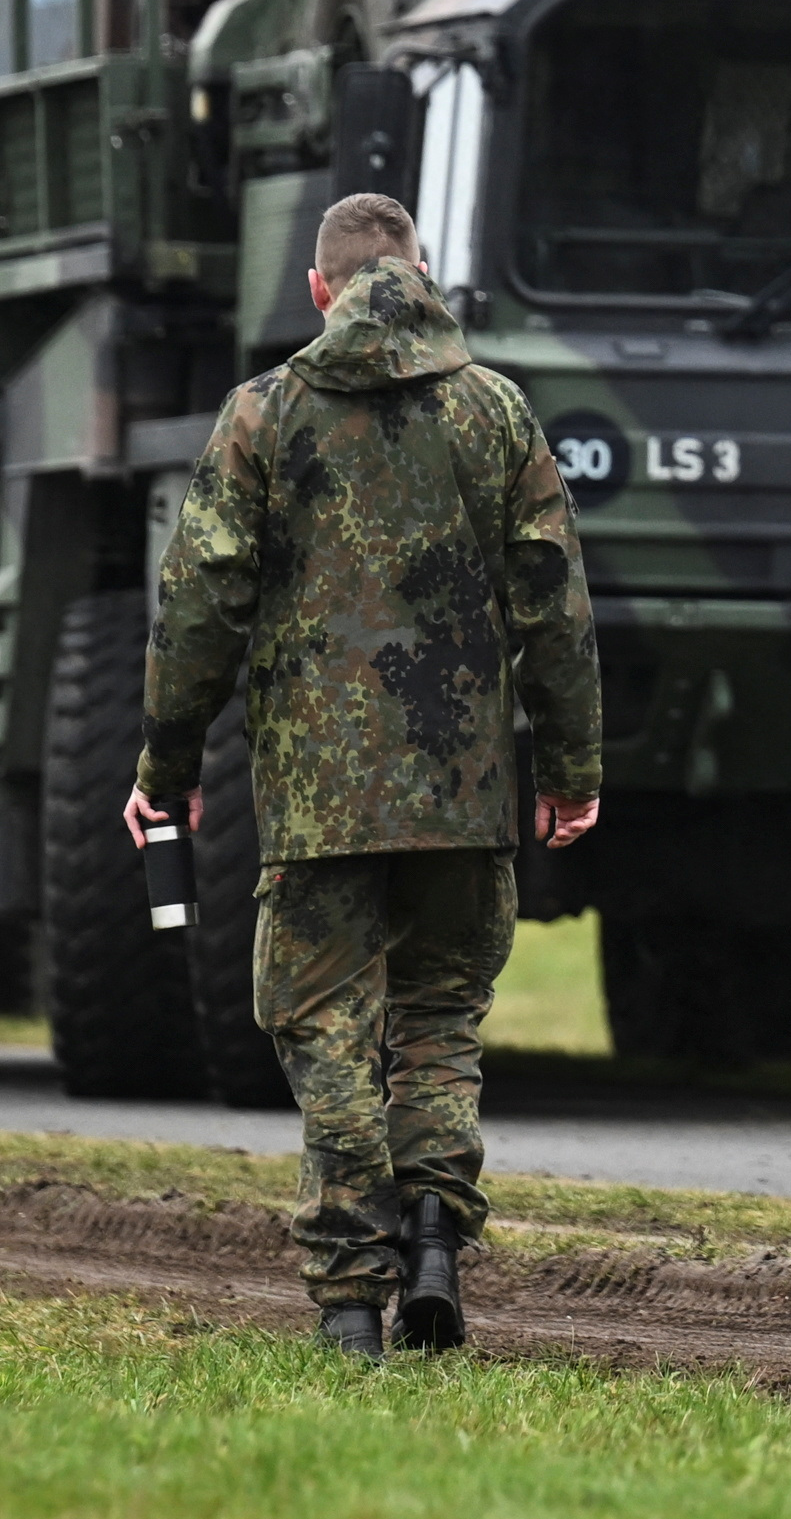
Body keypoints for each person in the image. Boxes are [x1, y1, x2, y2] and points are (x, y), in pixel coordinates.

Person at [131, 191, 603, 1360]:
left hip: (316, 800)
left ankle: (351, 1301)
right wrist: (573, 762)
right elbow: (555, 602)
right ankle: (435, 1228)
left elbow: (198, 604)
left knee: (324, 1025)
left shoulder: (266, 413)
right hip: (466, 789)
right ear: (424, 274)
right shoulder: (496, 411)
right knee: (439, 1020)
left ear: (319, 291)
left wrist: (167, 766)